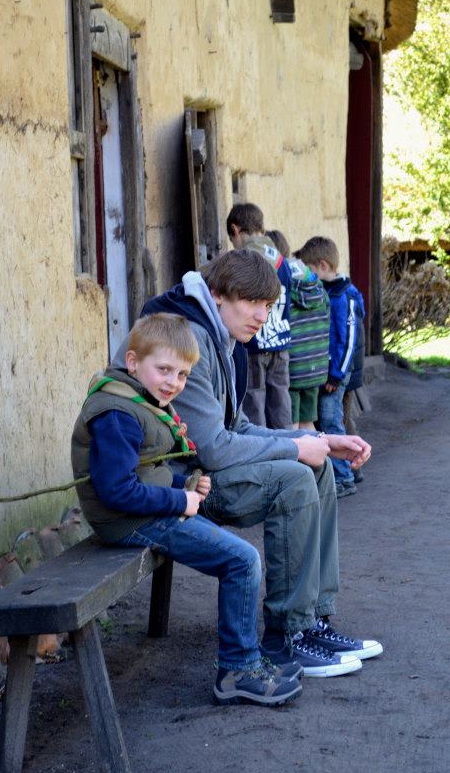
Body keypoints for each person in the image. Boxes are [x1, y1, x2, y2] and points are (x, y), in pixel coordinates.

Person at [137, 250, 383, 677]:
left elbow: (242, 426)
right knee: (293, 479)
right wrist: (294, 450)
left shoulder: (226, 338)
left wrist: (319, 439)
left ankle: (312, 621)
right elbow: (212, 448)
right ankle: (287, 636)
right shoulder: (187, 342)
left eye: (267, 306)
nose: (261, 317)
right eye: (251, 303)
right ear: (216, 295)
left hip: (199, 476)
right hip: (176, 487)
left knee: (318, 465)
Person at [71, 312, 302, 707]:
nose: (173, 383)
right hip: (128, 521)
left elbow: (146, 466)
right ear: (132, 362)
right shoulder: (117, 413)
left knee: (240, 557)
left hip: (141, 512)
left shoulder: (138, 398)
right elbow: (117, 491)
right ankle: (237, 670)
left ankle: (246, 661)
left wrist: (184, 483)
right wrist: (181, 500)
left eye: (181, 375)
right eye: (163, 369)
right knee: (242, 560)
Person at [298, 236, 366, 498]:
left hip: (336, 373)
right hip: (323, 370)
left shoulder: (344, 297)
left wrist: (336, 375)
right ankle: (339, 473)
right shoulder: (325, 293)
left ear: (323, 266)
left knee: (330, 420)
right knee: (324, 421)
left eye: (310, 270)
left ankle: (343, 478)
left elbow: (348, 342)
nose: (308, 275)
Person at [227, 203, 292, 429]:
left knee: (254, 401)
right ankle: (292, 452)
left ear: (235, 230)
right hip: (281, 342)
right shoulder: (282, 259)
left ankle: (264, 454)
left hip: (254, 344)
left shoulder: (245, 259)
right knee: (281, 399)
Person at [265, 231, 331, 432]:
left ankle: (299, 462)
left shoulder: (282, 284)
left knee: (291, 423)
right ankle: (317, 463)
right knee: (308, 421)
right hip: (316, 367)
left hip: (294, 369)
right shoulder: (316, 284)